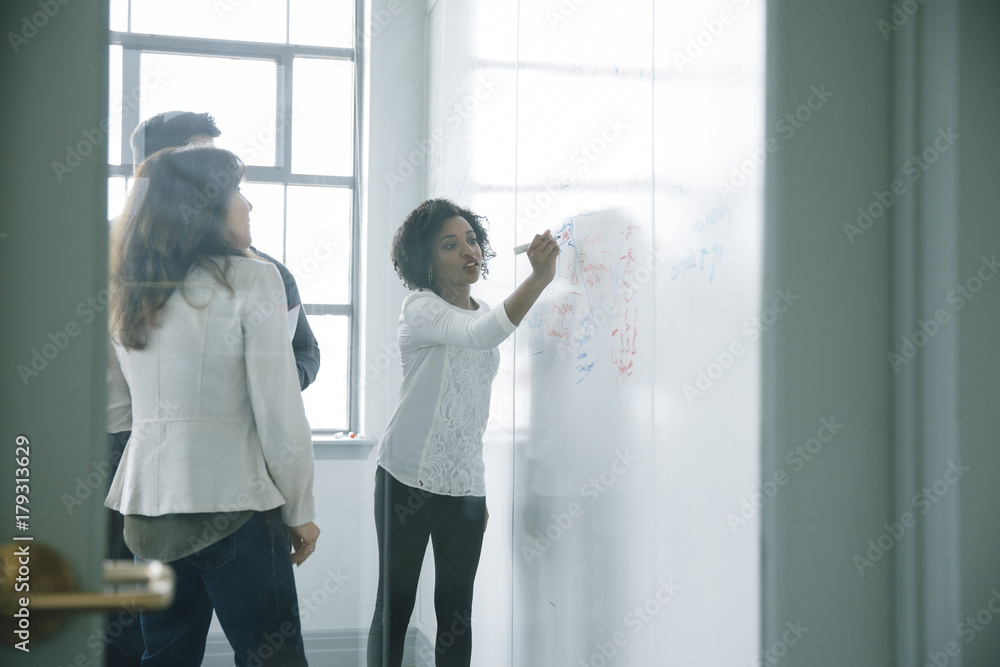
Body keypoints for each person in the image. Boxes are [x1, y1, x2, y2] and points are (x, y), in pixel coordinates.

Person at [104, 112, 321, 665]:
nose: (249, 205)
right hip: (236, 506)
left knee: (166, 656)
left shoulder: (127, 287)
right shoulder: (253, 277)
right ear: (202, 206)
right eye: (238, 192)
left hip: (147, 509)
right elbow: (280, 412)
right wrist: (300, 507)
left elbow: (117, 407)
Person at [368, 199, 559, 667]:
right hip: (404, 480)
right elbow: (478, 335)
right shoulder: (420, 309)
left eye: (471, 240)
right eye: (450, 245)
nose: (468, 250)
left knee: (457, 612)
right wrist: (538, 279)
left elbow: (472, 410)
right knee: (395, 606)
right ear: (426, 260)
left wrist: (476, 487)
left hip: (463, 487)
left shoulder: (485, 310)